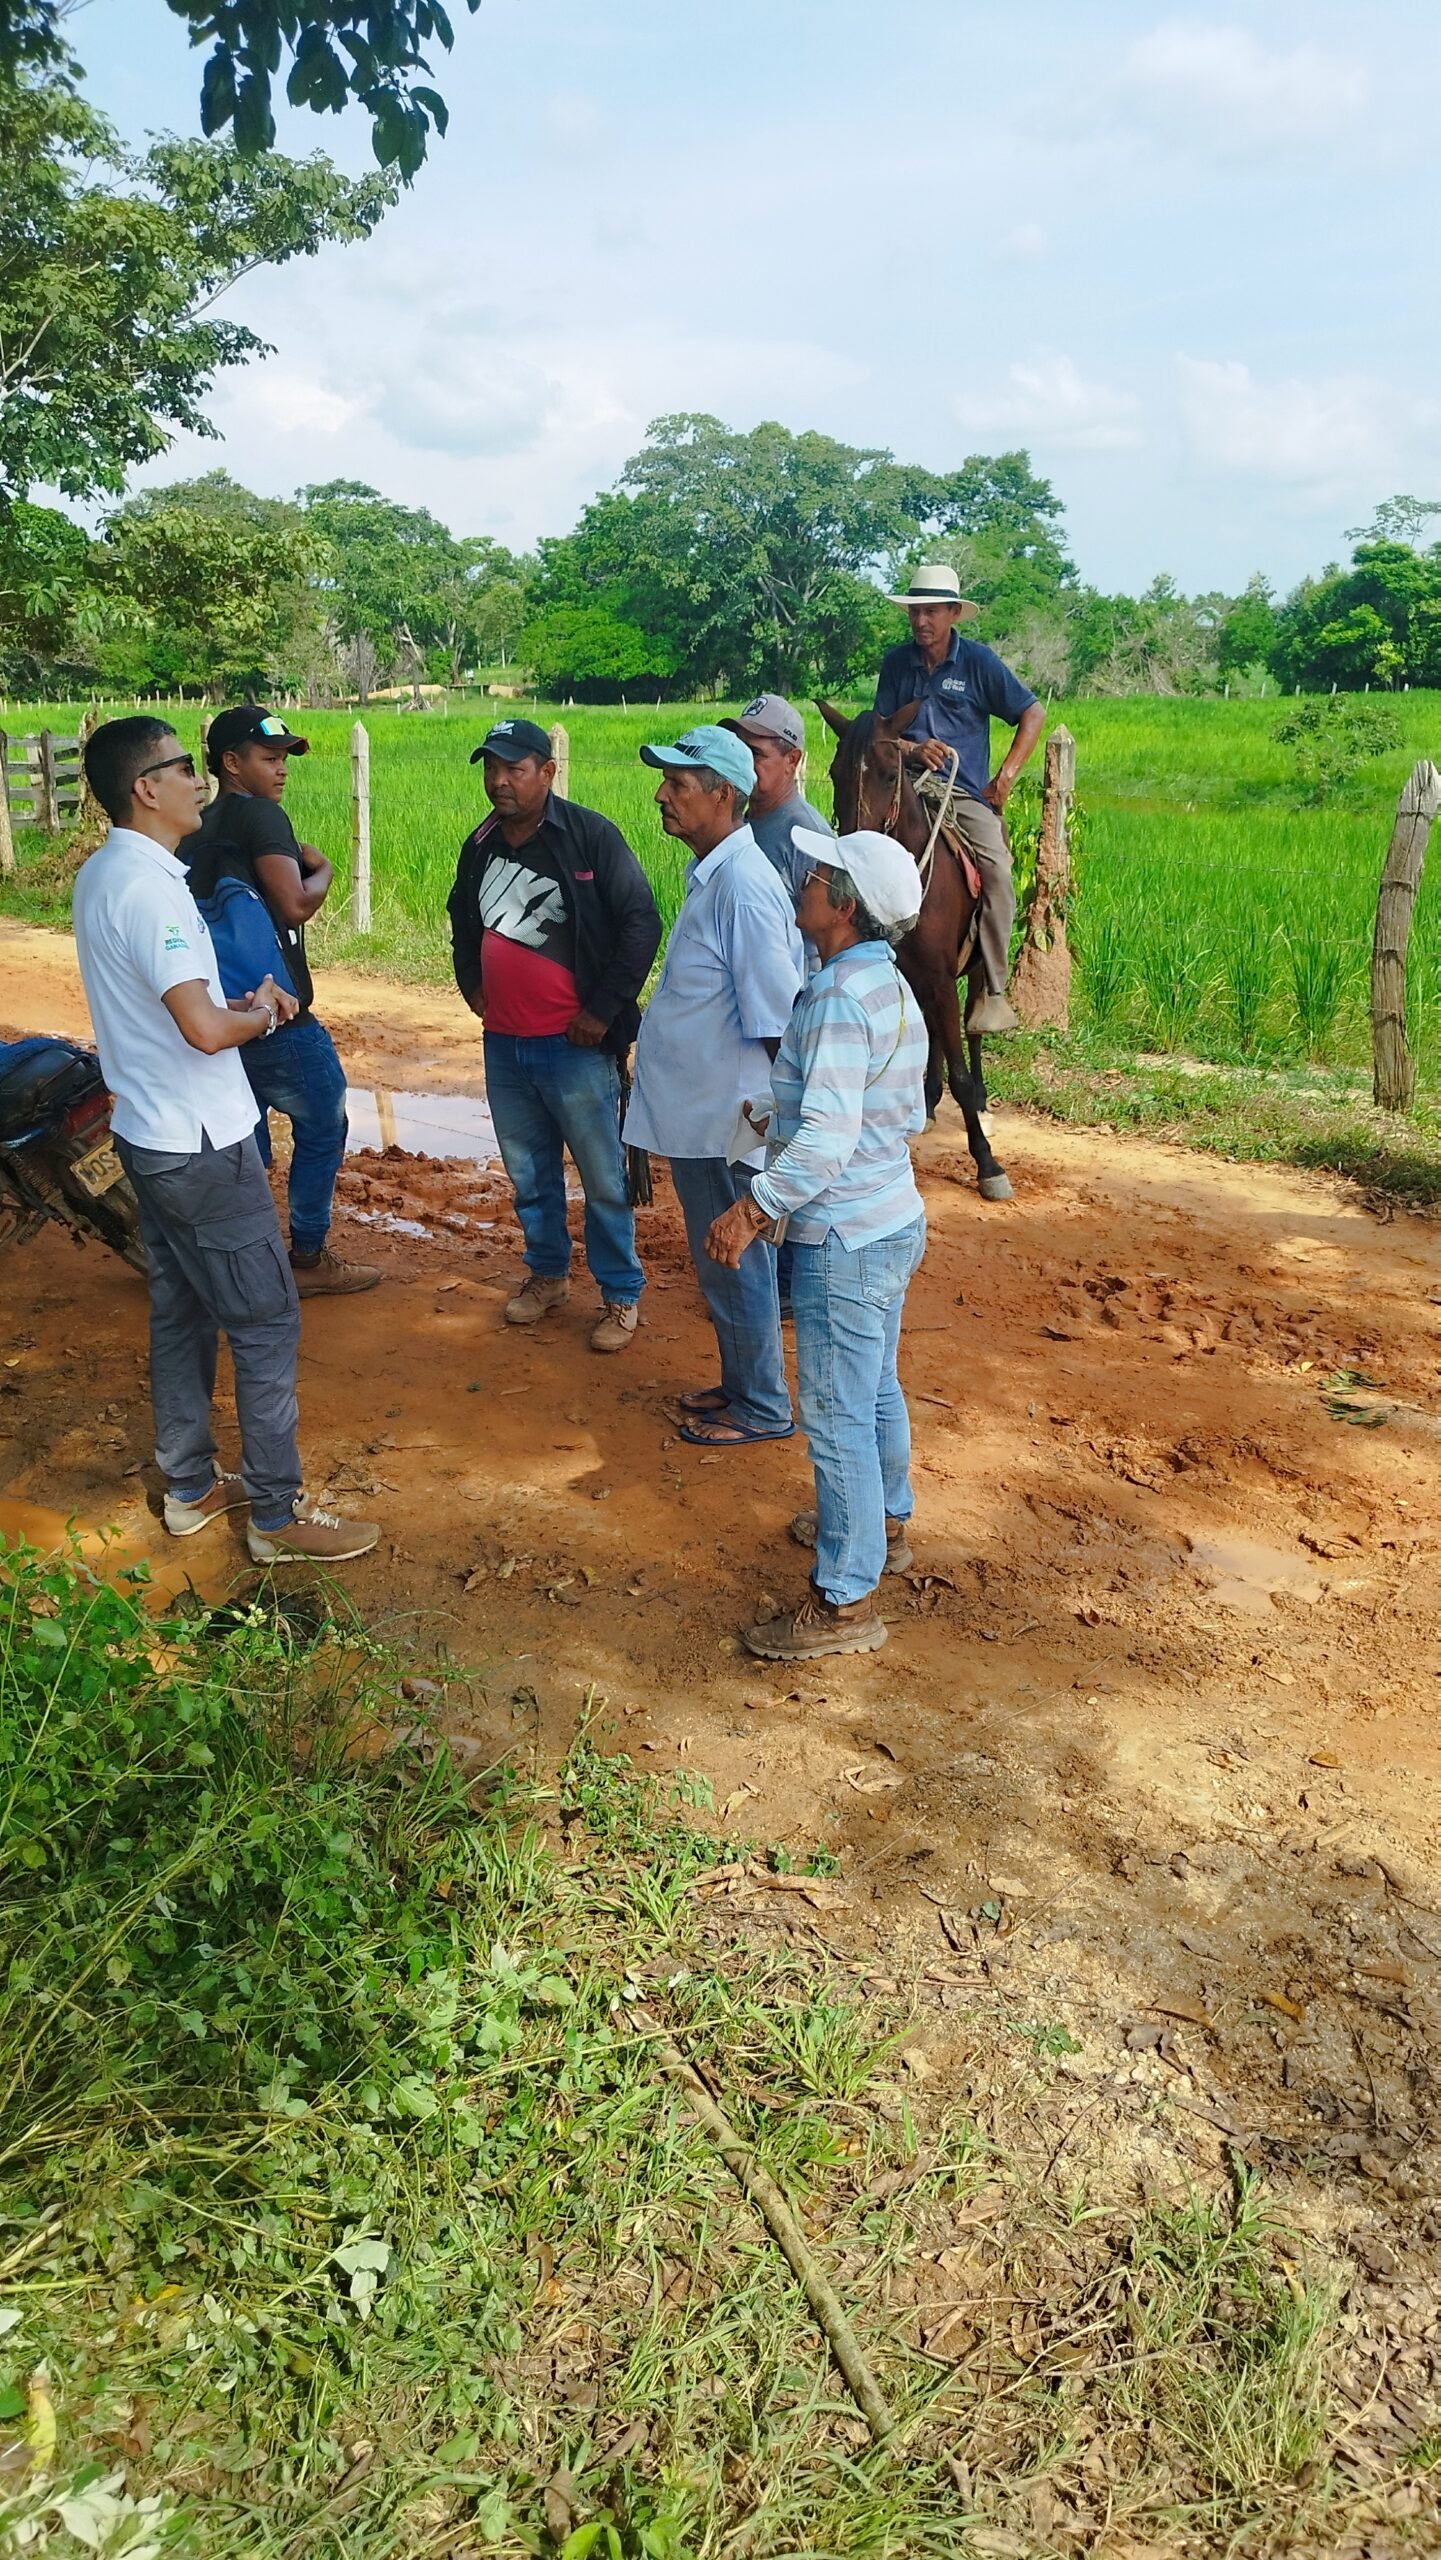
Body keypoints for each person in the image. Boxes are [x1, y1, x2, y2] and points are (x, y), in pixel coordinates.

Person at [71, 716, 380, 1565]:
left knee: (182, 1308)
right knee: (266, 1319)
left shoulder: (104, 875)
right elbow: (205, 1032)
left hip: (150, 1132)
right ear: (146, 788)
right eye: (182, 767)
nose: (197, 781)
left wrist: (235, 1006)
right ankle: (276, 1516)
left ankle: (189, 1488)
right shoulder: (149, 890)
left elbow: (178, 1007)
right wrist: (262, 1012)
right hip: (200, 1140)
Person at [704, 829, 928, 1661]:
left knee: (835, 1415)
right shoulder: (883, 982)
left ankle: (844, 1601)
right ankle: (885, 1526)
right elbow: (886, 1110)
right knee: (873, 1390)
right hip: (888, 1217)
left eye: (818, 874)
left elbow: (828, 1143)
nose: (802, 880)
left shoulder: (836, 996)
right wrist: (780, 1119)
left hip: (843, 1234)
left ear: (843, 906)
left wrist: (750, 1210)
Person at [447, 719, 662, 1352]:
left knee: (603, 1181)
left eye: (514, 769)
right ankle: (547, 1275)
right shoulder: (481, 843)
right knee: (529, 1175)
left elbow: (641, 923)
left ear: (547, 771)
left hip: (576, 1049)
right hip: (504, 1044)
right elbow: (461, 919)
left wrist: (602, 1010)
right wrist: (471, 985)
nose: (499, 781)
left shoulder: (589, 837)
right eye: (491, 768)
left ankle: (620, 1294)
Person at [623, 726, 804, 1444]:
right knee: (721, 1259)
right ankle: (741, 1386)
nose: (661, 795)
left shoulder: (744, 887)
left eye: (678, 785)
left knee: (738, 1257)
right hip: (702, 1115)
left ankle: (761, 1406)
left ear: (723, 795)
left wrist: (774, 1129)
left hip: (729, 1117)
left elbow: (776, 1021)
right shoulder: (719, 876)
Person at [179, 703, 379, 1297]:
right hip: (280, 1017)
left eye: (284, 758)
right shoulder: (261, 816)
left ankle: (246, 1256)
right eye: (269, 758)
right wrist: (325, 871)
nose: (282, 769)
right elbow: (294, 905)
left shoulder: (191, 828)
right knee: (323, 1123)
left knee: (247, 1142)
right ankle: (308, 1257)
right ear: (230, 762)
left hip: (219, 1013)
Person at [874, 564, 1046, 1035]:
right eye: (915, 612)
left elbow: (1032, 713)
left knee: (998, 871)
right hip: (905, 786)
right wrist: (912, 749)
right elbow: (879, 734)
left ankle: (993, 990)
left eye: (931, 611)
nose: (921, 621)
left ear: (953, 613)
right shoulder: (896, 664)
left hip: (962, 793)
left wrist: (1005, 777)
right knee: (855, 854)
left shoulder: (978, 663)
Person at [720, 694, 832, 898]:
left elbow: (826, 917)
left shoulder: (809, 838)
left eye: (755, 753)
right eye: (739, 749)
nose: (741, 762)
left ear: (791, 760)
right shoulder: (738, 821)